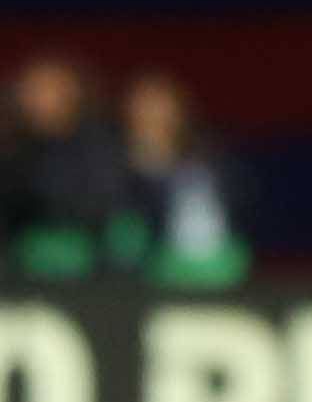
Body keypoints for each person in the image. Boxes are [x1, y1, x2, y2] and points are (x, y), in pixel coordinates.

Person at [115, 73, 249, 288]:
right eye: (144, 106)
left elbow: (240, 202)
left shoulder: (208, 156)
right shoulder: (113, 163)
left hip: (215, 258)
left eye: (160, 105)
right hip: (155, 260)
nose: (153, 114)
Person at [5, 52, 130, 277]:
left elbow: (103, 204)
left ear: (72, 92)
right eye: (31, 89)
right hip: (19, 263)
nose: (37, 98)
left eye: (46, 88)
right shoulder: (14, 146)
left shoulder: (99, 143)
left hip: (89, 259)